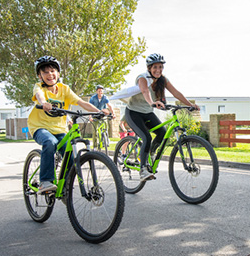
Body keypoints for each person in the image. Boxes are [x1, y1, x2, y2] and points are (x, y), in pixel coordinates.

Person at [28, 56, 106, 193]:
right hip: (40, 127)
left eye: (52, 71)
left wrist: (99, 111)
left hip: (60, 129)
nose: (49, 74)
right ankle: (45, 181)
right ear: (40, 76)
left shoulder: (64, 89)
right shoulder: (39, 87)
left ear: (58, 73)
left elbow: (82, 103)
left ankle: (65, 186)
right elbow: (39, 96)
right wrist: (43, 103)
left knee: (70, 152)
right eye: (45, 72)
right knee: (50, 142)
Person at [125, 53, 199, 181]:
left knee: (162, 133)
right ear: (149, 68)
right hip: (133, 112)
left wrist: (190, 104)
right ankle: (143, 170)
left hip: (147, 113)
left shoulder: (163, 80)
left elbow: (175, 92)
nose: (158, 70)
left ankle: (151, 154)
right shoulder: (142, 78)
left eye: (160, 67)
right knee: (146, 137)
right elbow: (145, 91)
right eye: (155, 67)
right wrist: (152, 103)